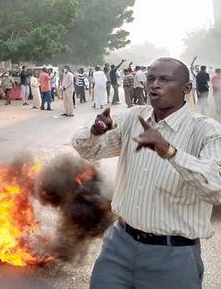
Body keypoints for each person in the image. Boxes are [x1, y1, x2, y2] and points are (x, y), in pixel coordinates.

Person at [72, 57, 221, 289]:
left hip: (173, 257)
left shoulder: (206, 131)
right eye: (151, 78)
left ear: (186, 89)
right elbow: (88, 150)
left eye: (164, 79)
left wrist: (170, 151)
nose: (154, 84)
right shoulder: (134, 117)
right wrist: (95, 132)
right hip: (118, 247)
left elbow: (216, 189)